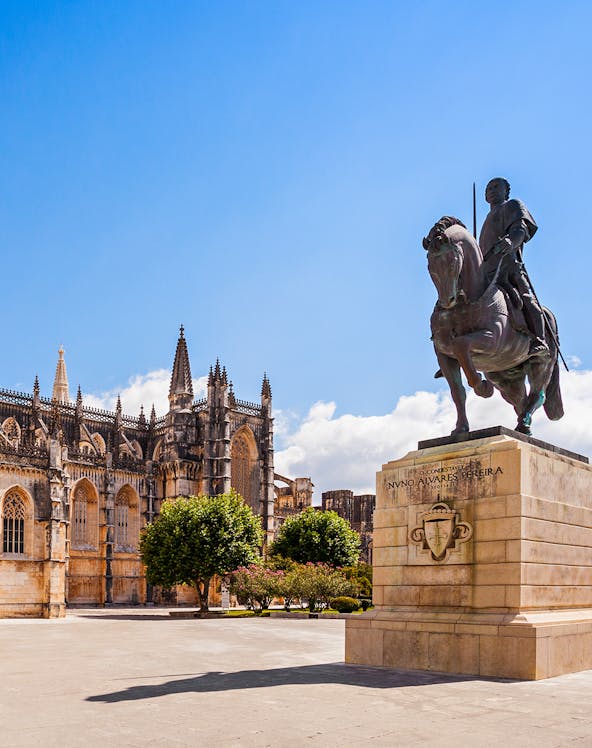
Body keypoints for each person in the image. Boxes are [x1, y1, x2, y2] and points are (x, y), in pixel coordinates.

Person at [479, 177, 548, 356]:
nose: (492, 190)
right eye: (488, 188)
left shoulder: (512, 206)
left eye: (496, 187)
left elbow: (520, 229)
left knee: (526, 298)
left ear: (506, 192)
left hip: (508, 267)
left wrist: (511, 240)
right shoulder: (487, 219)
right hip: (486, 272)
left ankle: (540, 339)